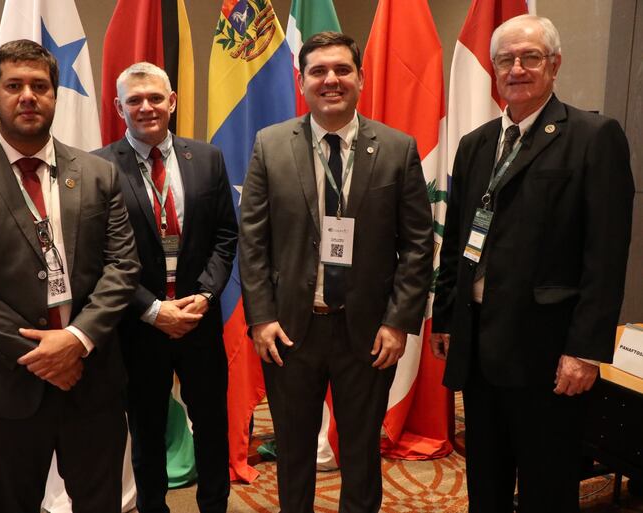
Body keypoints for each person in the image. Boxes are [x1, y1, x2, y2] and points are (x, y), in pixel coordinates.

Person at [0, 39, 140, 513]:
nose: (28, 96)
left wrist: (77, 339)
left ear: (56, 95)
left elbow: (123, 266)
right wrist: (42, 353)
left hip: (90, 379)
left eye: (40, 86)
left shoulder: (98, 174)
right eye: (14, 85)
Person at [431, 14, 634, 513]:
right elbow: (459, 237)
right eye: (506, 59)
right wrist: (446, 314)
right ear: (495, 68)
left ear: (554, 65)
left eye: (531, 57)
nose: (516, 68)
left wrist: (585, 351)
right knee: (487, 479)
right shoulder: (476, 143)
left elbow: (605, 255)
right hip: (479, 346)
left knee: (547, 485)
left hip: (547, 352)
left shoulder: (593, 136)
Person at [239, 32, 434, 513]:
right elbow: (253, 242)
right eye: (318, 71)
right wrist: (261, 318)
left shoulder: (396, 148)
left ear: (360, 79)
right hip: (290, 331)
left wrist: (397, 321)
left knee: (362, 453)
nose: (331, 80)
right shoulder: (270, 145)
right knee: (294, 450)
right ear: (301, 81)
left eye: (342, 70)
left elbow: (416, 245)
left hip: (366, 331)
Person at [94, 62, 237, 513]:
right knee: (147, 427)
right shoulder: (97, 167)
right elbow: (99, 254)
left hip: (199, 317)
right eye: (134, 100)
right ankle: (152, 506)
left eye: (155, 98)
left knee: (212, 425)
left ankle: (215, 504)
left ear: (171, 101)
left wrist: (206, 296)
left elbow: (225, 236)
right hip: (139, 326)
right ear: (119, 107)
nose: (146, 107)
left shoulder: (207, 157)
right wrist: (152, 309)